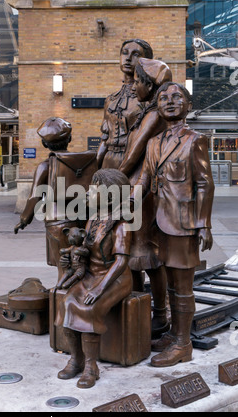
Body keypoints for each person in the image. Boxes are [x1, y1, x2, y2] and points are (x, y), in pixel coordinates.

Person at [136, 82, 214, 367]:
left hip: (183, 224)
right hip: (158, 224)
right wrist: (121, 201)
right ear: (158, 107)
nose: (169, 101)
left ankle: (184, 344)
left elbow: (205, 184)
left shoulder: (195, 140)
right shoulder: (153, 143)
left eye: (176, 97)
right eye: (163, 98)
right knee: (169, 285)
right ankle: (172, 332)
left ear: (188, 105)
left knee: (183, 287)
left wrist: (204, 224)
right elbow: (144, 180)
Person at [55, 169, 133, 389]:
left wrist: (99, 290)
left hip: (114, 278)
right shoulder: (93, 219)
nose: (88, 192)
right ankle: (76, 359)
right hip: (91, 274)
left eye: (93, 188)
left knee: (89, 309)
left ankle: (91, 366)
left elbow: (120, 263)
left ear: (109, 194)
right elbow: (86, 250)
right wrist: (72, 259)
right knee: (68, 302)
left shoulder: (122, 224)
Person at [119, 58, 172, 339]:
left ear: (149, 86)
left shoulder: (153, 116)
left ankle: (160, 313)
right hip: (135, 188)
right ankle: (138, 305)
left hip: (144, 190)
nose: (135, 86)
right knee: (133, 252)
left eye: (139, 82)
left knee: (145, 252)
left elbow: (133, 156)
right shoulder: (146, 112)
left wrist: (110, 181)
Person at [14, 117, 83, 281]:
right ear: (70, 139)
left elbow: (35, 197)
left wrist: (24, 220)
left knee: (64, 268)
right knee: (81, 265)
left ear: (45, 144)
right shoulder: (83, 162)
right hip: (82, 220)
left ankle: (63, 302)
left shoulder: (45, 166)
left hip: (58, 222)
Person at [97, 38, 153, 170]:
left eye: (136, 54)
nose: (128, 58)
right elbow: (105, 139)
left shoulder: (148, 99)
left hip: (138, 163)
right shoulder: (110, 100)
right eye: (125, 53)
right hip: (109, 161)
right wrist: (96, 167)